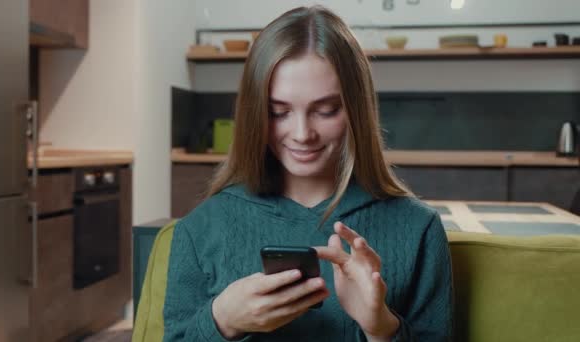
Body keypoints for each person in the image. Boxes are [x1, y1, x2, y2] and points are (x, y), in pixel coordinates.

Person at [163, 6, 452, 342]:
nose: (302, 133)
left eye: (326, 109)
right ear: (255, 113)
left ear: (356, 110)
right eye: (278, 112)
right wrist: (222, 320)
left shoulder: (419, 229)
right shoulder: (199, 230)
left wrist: (382, 328)